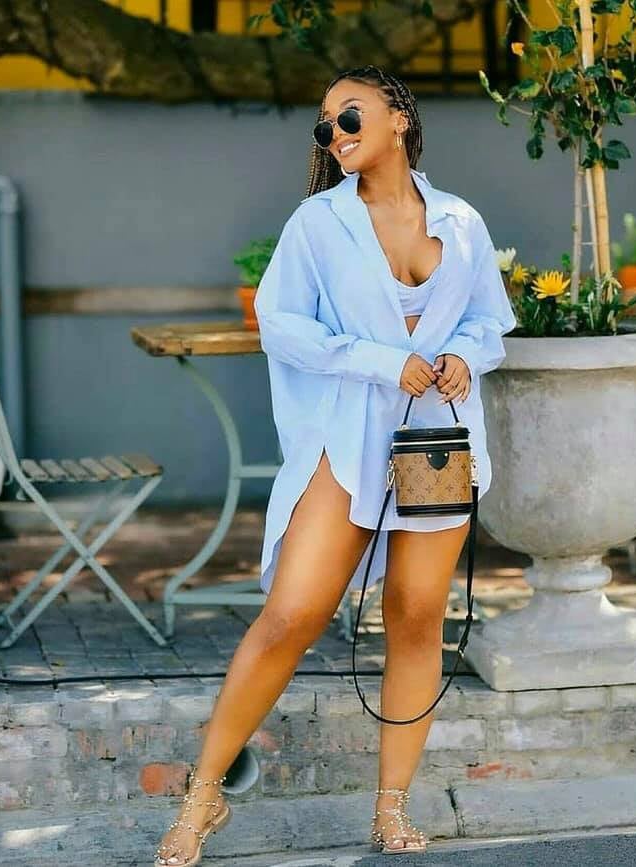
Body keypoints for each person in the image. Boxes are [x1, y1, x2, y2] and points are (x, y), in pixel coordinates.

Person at [154, 63, 516, 866]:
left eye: (348, 115)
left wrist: (463, 353)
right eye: (324, 124)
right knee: (291, 614)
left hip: (436, 441)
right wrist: (381, 361)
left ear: (398, 117)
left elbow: (491, 319)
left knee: (417, 617)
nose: (334, 132)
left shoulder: (460, 220)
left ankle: (391, 809)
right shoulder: (318, 224)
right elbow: (281, 324)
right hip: (349, 436)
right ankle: (203, 795)